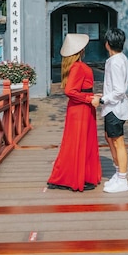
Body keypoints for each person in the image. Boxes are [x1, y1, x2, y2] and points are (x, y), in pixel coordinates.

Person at [47, 33, 102, 192]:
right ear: (81, 50)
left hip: (81, 108)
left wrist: (92, 96)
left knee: (77, 142)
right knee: (79, 142)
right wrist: (88, 98)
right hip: (81, 110)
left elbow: (78, 89)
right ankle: (75, 177)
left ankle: (77, 176)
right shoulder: (78, 67)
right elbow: (70, 91)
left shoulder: (75, 67)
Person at [92, 28, 128, 193]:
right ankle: (117, 173)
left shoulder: (115, 62)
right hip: (113, 107)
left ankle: (122, 178)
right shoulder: (120, 58)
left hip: (115, 108)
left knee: (118, 142)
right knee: (110, 138)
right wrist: (105, 95)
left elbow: (119, 90)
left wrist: (102, 99)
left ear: (107, 44)